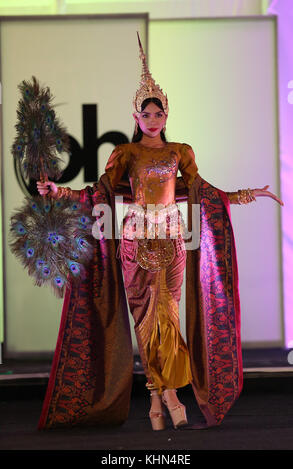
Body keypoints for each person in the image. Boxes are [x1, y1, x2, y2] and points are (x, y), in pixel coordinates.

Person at [37, 34, 283, 431]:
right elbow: (100, 191)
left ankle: (156, 398)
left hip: (171, 240)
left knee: (168, 319)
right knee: (146, 322)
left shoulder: (180, 151)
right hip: (135, 243)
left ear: (166, 114)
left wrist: (246, 195)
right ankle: (168, 395)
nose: (152, 119)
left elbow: (202, 190)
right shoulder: (125, 154)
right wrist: (59, 191)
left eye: (158, 113)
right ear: (135, 116)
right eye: (145, 114)